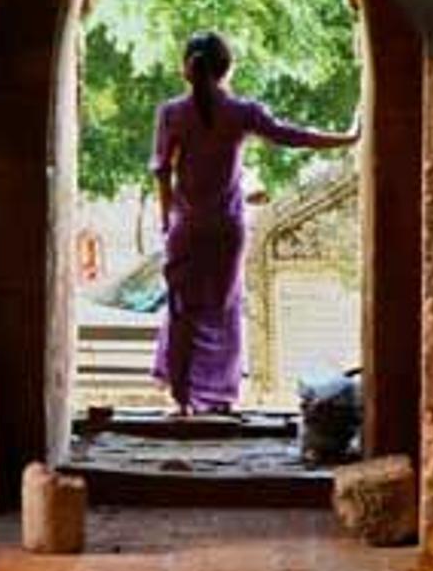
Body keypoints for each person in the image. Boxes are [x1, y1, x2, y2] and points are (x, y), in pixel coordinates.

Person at [150, 30, 361, 415]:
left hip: (187, 229)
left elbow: (162, 172)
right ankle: (220, 400)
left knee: (182, 313)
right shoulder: (242, 112)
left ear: (187, 69)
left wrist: (167, 222)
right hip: (226, 231)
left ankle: (181, 401)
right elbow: (291, 136)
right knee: (223, 311)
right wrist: (346, 138)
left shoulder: (172, 114)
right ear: (228, 68)